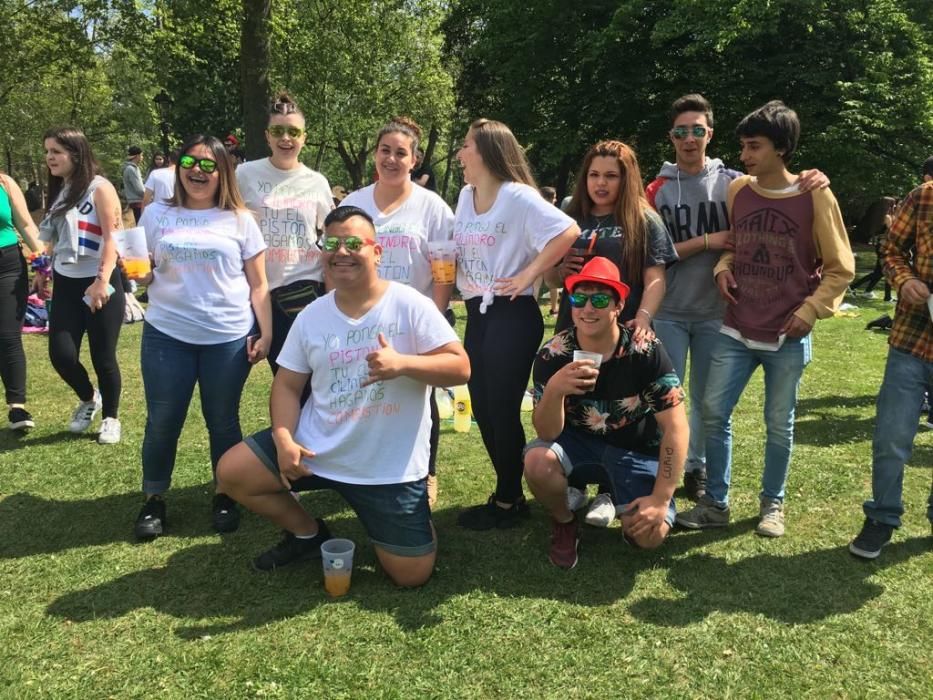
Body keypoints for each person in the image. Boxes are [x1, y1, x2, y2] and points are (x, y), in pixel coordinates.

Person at [215, 206, 469, 586]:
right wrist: (284, 438)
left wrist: (402, 364)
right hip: (318, 450)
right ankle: (309, 533)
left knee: (411, 576)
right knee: (232, 472)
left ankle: (405, 522)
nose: (341, 251)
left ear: (377, 252)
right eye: (332, 243)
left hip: (388, 466)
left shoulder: (409, 304)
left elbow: (460, 366)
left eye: (354, 242)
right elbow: (287, 385)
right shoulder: (312, 316)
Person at [676, 101, 855, 537]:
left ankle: (772, 505)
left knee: (779, 423)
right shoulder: (740, 191)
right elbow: (736, 245)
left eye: (754, 146)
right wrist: (722, 269)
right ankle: (715, 504)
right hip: (736, 327)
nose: (745, 155)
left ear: (782, 148)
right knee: (715, 414)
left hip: (788, 334)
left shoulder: (816, 194)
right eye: (742, 146)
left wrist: (811, 310)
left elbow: (841, 266)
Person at [646, 94, 828, 503]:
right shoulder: (655, 189)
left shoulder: (734, 183)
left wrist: (812, 177)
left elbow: (770, 208)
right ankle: (665, 470)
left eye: (697, 130)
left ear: (709, 133)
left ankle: (697, 470)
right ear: (671, 136)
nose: (689, 139)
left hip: (720, 312)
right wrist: (709, 241)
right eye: (680, 131)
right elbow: (654, 250)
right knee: (669, 397)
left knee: (707, 402)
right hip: (670, 310)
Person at [130, 134, 271, 540]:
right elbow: (147, 268)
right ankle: (154, 499)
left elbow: (258, 285)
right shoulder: (157, 214)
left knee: (222, 421)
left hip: (227, 336)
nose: (198, 171)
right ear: (178, 169)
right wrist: (141, 275)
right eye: (190, 163)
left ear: (223, 172)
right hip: (167, 334)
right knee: (162, 421)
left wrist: (267, 331)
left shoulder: (240, 220)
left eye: (209, 165)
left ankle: (225, 492)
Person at [453, 118, 579, 531]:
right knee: (482, 408)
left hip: (512, 312)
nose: (459, 154)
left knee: (501, 408)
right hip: (478, 312)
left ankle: (508, 499)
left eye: (466, 146)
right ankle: (507, 492)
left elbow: (567, 230)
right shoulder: (464, 196)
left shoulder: (519, 197)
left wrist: (530, 276)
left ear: (488, 151)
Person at [523, 257, 687, 568]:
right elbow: (547, 433)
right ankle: (565, 521)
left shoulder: (644, 352)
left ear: (618, 306)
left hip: (636, 451)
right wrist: (556, 389)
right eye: (579, 298)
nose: (587, 308)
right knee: (536, 461)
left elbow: (676, 427)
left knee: (649, 537)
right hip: (579, 445)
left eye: (599, 299)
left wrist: (661, 498)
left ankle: (628, 509)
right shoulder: (553, 354)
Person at [551, 140, 677, 527]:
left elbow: (655, 278)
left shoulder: (643, 218)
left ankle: (610, 489)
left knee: (618, 407)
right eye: (594, 175)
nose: (601, 183)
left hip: (624, 333)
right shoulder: (569, 217)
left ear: (627, 179)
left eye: (611, 176)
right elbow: (551, 277)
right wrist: (558, 269)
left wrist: (642, 317)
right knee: (575, 400)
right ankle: (576, 480)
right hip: (575, 329)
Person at [342, 116, 455, 508]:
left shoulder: (432, 208)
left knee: (418, 397)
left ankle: (426, 473)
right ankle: (362, 466)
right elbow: (336, 260)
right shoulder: (351, 204)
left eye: (400, 153)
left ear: (415, 160)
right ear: (375, 154)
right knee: (364, 393)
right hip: (360, 317)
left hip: (413, 321)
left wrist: (434, 320)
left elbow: (443, 270)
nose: (391, 159)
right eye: (385, 150)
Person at [848, 174, 933, 559]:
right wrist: (905, 279)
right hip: (913, 339)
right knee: (891, 437)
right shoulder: (925, 198)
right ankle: (882, 516)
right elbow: (891, 250)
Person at [39, 127, 126, 444]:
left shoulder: (99, 188)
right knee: (61, 355)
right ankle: (90, 398)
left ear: (76, 154)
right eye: (47, 151)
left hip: (99, 282)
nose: (50, 157)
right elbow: (55, 235)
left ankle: (111, 418)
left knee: (103, 357)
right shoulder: (61, 189)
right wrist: (42, 268)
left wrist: (102, 280)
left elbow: (111, 237)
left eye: (56, 151)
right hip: (65, 282)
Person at [236, 92, 333, 371]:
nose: (286, 139)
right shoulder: (245, 174)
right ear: (267, 136)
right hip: (251, 291)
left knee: (299, 380)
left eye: (293, 131)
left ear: (304, 136)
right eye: (278, 131)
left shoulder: (316, 182)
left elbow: (330, 237)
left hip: (301, 291)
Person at [0, 173, 44, 430]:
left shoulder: (4, 183)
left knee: (8, 336)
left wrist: (42, 263)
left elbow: (26, 225)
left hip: (7, 264)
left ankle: (17, 407)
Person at [539, 186, 561, 316]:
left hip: (540, 249)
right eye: (554, 197)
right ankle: (554, 309)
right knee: (552, 283)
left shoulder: (536, 211)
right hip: (550, 249)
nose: (556, 199)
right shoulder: (554, 213)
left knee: (536, 281)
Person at [122, 145, 145, 224]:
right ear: (137, 156)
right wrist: (149, 196)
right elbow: (139, 189)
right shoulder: (131, 169)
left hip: (136, 201)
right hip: (138, 201)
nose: (142, 157)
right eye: (141, 155)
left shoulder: (133, 168)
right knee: (142, 224)